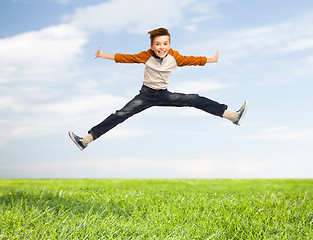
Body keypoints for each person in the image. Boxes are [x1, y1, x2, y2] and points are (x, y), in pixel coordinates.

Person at [69, 27, 248, 151]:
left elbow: (193, 60)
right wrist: (102, 55)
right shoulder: (145, 56)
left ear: (169, 45)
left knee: (194, 98)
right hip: (145, 95)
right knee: (120, 115)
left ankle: (232, 116)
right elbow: (125, 57)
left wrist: (212, 60)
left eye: (165, 43)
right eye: (157, 44)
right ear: (152, 46)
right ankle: (86, 140)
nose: (161, 47)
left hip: (164, 95)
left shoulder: (175, 57)